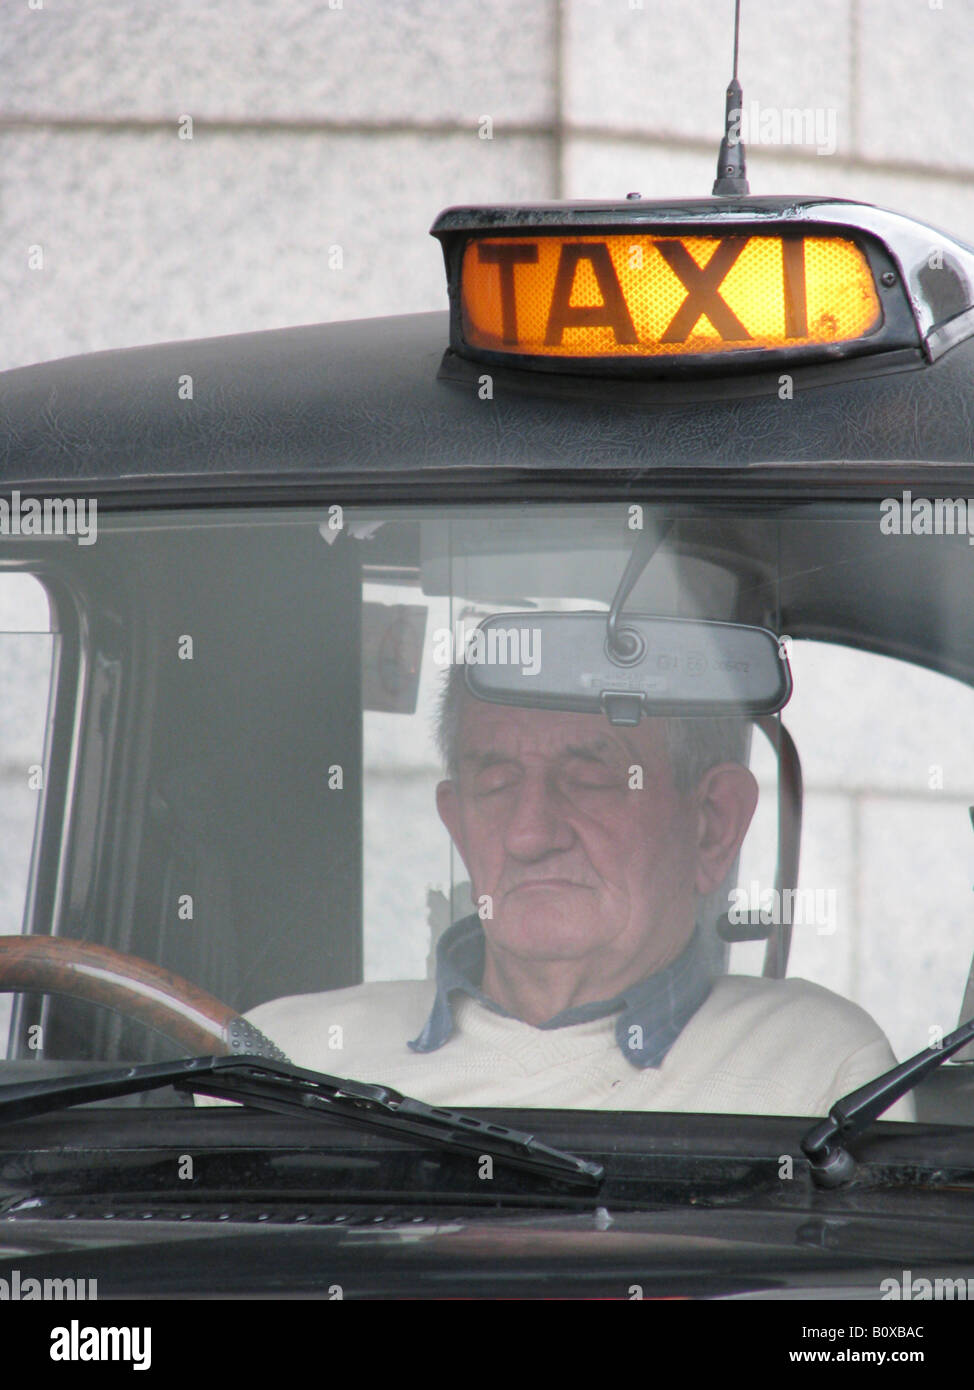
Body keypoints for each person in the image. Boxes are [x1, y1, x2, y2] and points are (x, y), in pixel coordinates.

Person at [245, 665, 913, 1120]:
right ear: (458, 823)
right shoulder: (281, 1058)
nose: (530, 835)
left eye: (591, 778)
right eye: (497, 782)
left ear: (712, 826)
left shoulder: (814, 1068)